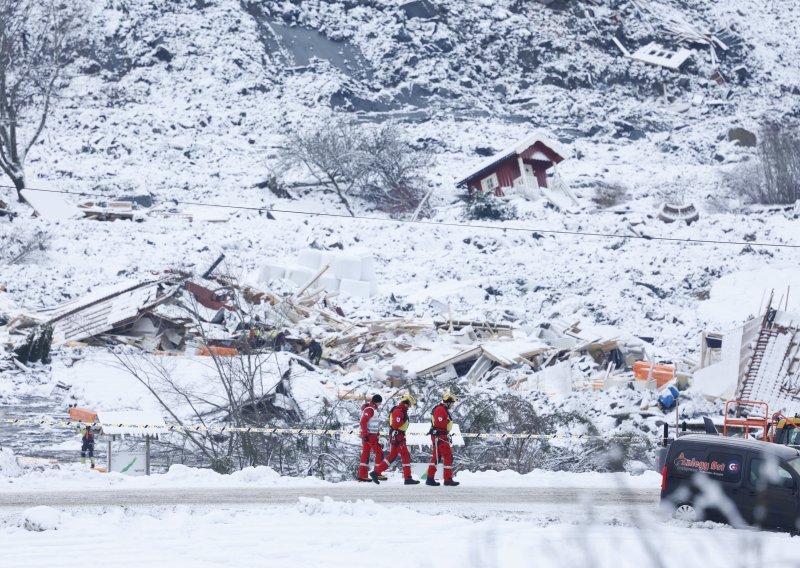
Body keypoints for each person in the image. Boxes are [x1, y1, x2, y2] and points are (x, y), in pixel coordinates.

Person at [370, 394, 420, 485]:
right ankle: (408, 478)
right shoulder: (399, 411)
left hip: (397, 436)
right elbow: (395, 425)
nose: (409, 407)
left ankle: (375, 472)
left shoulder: (400, 410)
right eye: (409, 405)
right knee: (405, 455)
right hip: (398, 437)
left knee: (392, 456)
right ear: (406, 403)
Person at [426, 392, 459, 486]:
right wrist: (448, 421)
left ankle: (430, 478)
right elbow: (439, 423)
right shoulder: (440, 409)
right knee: (448, 456)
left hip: (440, 436)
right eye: (452, 403)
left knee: (437, 457)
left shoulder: (442, 409)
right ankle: (448, 479)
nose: (453, 405)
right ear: (447, 402)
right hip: (440, 436)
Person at [357, 394, 385, 482]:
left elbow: (371, 423)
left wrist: (376, 433)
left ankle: (362, 475)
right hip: (369, 436)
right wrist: (366, 435)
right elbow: (363, 422)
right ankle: (377, 473)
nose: (380, 405)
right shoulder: (370, 410)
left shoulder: (371, 409)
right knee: (379, 452)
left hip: (369, 435)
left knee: (365, 454)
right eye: (380, 403)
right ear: (378, 402)